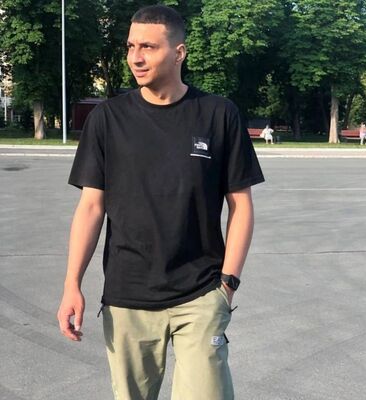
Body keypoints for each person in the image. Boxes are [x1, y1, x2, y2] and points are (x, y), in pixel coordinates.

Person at [57, 5, 264, 400]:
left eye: (148, 47)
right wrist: (72, 285)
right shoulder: (108, 119)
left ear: (179, 52)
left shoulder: (218, 115)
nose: (135, 57)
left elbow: (241, 205)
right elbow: (91, 208)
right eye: (131, 46)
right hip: (128, 297)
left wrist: (228, 284)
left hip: (201, 292)